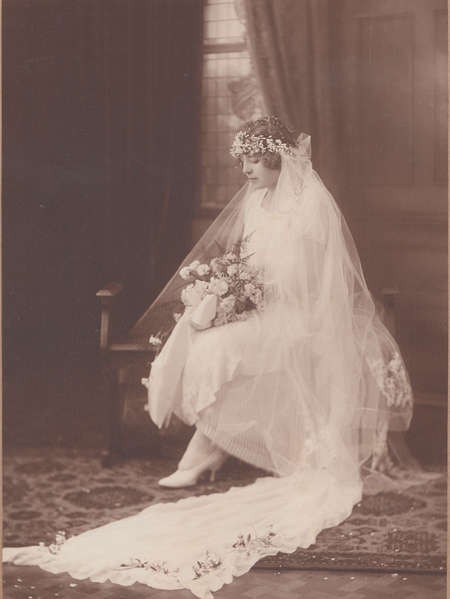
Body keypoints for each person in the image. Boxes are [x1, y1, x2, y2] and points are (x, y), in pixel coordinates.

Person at [3, 116, 416, 598]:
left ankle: (206, 451)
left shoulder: (311, 207)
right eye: (241, 158)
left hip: (301, 318)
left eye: (251, 159)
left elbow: (311, 281)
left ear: (276, 158)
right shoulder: (259, 202)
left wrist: (248, 297)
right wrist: (229, 292)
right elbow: (247, 261)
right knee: (199, 336)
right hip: (261, 308)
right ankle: (208, 447)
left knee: (220, 348)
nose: (244, 169)